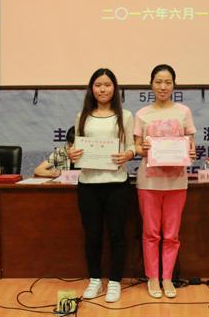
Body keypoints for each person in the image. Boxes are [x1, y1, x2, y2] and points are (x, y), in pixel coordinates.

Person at [66, 68, 135, 303]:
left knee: (117, 234)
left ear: (114, 88)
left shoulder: (125, 116)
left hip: (117, 184)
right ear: (91, 89)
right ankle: (94, 279)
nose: (102, 89)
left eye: (107, 85)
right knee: (92, 235)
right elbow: (76, 147)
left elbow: (132, 146)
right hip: (88, 184)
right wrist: (72, 153)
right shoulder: (82, 116)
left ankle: (114, 281)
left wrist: (128, 154)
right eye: (98, 85)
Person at [134, 64, 196, 299]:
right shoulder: (142, 114)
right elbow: (136, 147)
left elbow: (191, 145)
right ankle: (153, 278)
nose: (163, 86)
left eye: (167, 82)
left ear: (174, 85)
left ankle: (167, 278)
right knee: (151, 233)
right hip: (149, 183)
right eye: (158, 82)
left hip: (177, 182)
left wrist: (191, 152)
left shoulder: (183, 112)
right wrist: (142, 148)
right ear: (151, 84)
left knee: (171, 235)